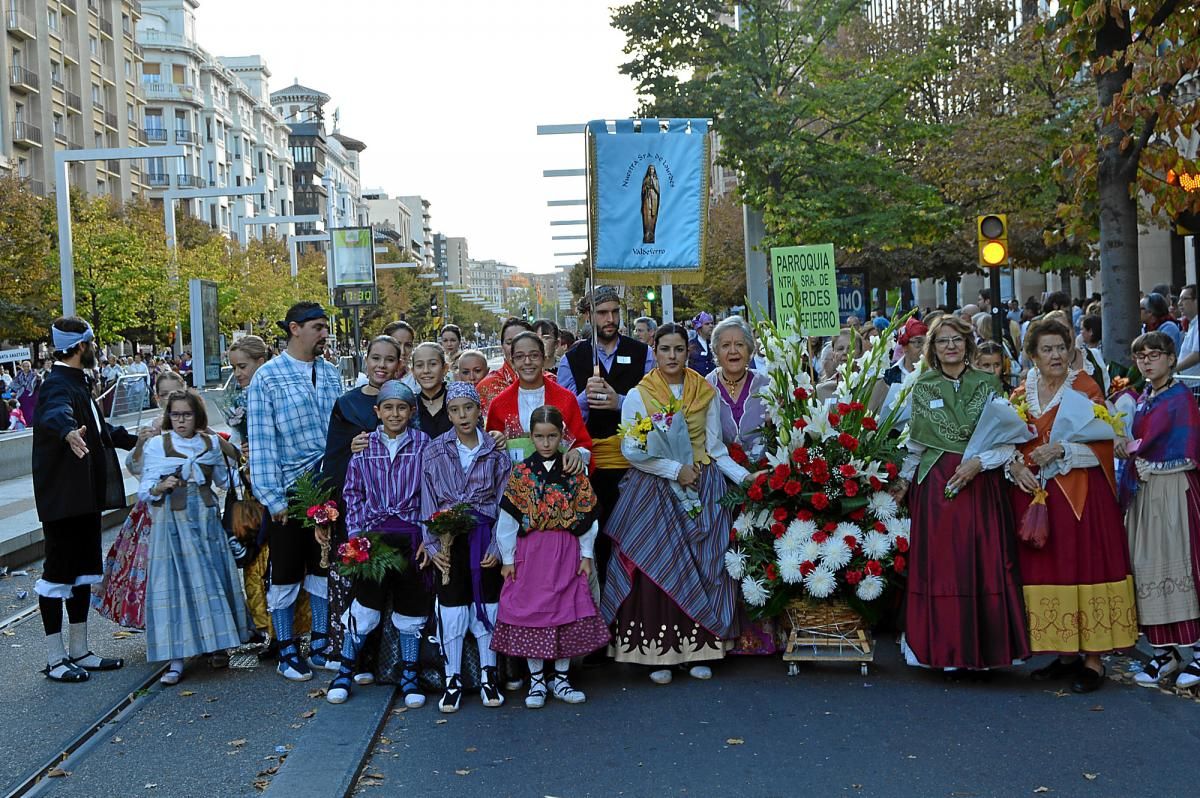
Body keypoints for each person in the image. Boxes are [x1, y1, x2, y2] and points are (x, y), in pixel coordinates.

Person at [601, 323, 752, 684]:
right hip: (655, 490)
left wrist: (748, 481)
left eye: (679, 349)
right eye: (665, 349)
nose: (672, 356)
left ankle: (698, 648)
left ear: (688, 352)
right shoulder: (640, 394)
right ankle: (658, 654)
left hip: (703, 485)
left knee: (704, 568)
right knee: (657, 566)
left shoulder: (704, 391)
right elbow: (631, 450)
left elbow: (715, 449)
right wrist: (672, 469)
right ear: (654, 351)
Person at [891, 315, 1030, 673]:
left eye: (956, 340)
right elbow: (917, 443)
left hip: (980, 485)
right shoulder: (922, 386)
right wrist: (904, 482)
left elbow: (1005, 437)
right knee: (942, 568)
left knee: (980, 564)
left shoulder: (987, 383)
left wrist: (978, 464)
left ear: (967, 345)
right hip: (936, 485)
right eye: (942, 341)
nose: (950, 346)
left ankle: (982, 653)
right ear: (932, 349)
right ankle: (944, 649)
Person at [1007, 319, 1137, 693]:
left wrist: (1063, 449)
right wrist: (1015, 464)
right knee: (1050, 567)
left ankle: (1094, 660)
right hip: (1037, 497)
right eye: (1047, 349)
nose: (1056, 356)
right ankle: (1064, 653)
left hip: (1082, 495)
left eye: (1061, 348)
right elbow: (1008, 439)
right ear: (1032, 355)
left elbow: (1108, 439)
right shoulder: (1022, 392)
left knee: (1085, 565)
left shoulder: (1086, 388)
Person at [32, 317, 138, 682]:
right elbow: (52, 412)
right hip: (63, 500)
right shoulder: (57, 384)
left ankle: (79, 650)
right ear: (80, 347)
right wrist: (66, 432)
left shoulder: (79, 382)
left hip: (84, 497)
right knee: (57, 575)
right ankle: (55, 657)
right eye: (91, 343)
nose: (94, 349)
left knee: (80, 575)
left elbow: (100, 430)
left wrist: (138, 440)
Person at [248, 302, 343, 682]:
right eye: (318, 327)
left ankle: (319, 643)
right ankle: (287, 648)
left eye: (325, 327)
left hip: (327, 489)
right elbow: (262, 441)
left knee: (322, 568)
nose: (324, 334)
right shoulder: (267, 378)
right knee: (285, 573)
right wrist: (272, 498)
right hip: (288, 491)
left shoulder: (333, 374)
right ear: (295, 329)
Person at [492, 405, 609, 708]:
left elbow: (586, 516)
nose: (545, 443)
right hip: (531, 553)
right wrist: (507, 558)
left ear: (562, 436)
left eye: (552, 436)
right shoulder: (522, 473)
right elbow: (507, 520)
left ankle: (561, 679)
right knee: (533, 612)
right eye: (540, 437)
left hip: (566, 549)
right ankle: (536, 682)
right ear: (531, 436)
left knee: (566, 609)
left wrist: (585, 553)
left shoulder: (573, 472)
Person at [328, 381, 433, 707]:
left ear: (411, 412)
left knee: (410, 606)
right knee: (365, 604)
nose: (395, 414)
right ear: (377, 412)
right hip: (372, 537)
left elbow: (431, 492)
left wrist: (428, 537)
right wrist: (357, 535)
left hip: (410, 536)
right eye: (388, 407)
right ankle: (346, 668)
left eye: (402, 407)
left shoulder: (422, 444)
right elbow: (353, 492)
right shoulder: (365, 447)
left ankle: (410, 672)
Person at [141, 389, 248, 685]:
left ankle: (218, 643)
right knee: (175, 584)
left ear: (197, 416)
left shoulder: (211, 443)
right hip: (171, 521)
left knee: (212, 578)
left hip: (204, 518)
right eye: (175, 414)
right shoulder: (156, 445)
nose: (180, 420)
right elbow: (144, 488)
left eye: (186, 414)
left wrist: (243, 465)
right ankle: (175, 657)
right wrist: (160, 486)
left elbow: (225, 481)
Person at [420, 382, 513, 712]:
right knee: (453, 610)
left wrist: (500, 547)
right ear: (448, 414)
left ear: (479, 410)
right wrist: (433, 547)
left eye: (469, 408)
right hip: (449, 539)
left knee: (487, 606)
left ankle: (489, 675)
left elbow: (506, 504)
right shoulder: (433, 451)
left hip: (483, 536)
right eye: (455, 410)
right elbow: (428, 503)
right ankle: (452, 678)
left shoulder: (495, 453)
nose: (463, 416)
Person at [557, 286, 654, 590]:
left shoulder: (642, 353)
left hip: (634, 463)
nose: (610, 319)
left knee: (633, 538)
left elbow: (656, 407)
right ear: (589, 316)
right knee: (595, 539)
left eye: (614, 312)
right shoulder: (571, 359)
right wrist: (585, 398)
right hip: (591, 466)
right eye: (602, 313)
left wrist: (622, 402)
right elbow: (563, 418)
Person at [1118, 331, 1200, 689]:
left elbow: (1190, 448)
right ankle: (1164, 652)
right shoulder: (1144, 398)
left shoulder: (1181, 397)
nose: (1147, 361)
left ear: (1170, 358)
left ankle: (1196, 652)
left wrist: (1157, 467)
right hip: (1144, 489)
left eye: (1155, 354)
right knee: (1148, 570)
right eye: (1141, 356)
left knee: (1180, 567)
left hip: (1173, 488)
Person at [321, 335, 404, 665]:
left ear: (399, 364)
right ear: (365, 360)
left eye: (389, 359)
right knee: (358, 577)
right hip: (358, 506)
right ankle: (355, 653)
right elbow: (333, 454)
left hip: (398, 507)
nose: (382, 365)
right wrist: (328, 511)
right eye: (376, 358)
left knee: (395, 579)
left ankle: (393, 655)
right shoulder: (347, 403)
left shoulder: (403, 401)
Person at [93, 371, 187, 630]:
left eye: (174, 393)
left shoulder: (193, 422)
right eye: (164, 395)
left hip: (188, 507)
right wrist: (140, 443)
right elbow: (136, 467)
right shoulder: (152, 427)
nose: (169, 400)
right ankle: (163, 629)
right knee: (153, 570)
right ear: (157, 398)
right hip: (153, 510)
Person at [486, 332, 592, 467]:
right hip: (513, 484)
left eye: (534, 355)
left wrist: (577, 453)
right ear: (512, 362)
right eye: (519, 357)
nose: (527, 362)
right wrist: (496, 440)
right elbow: (489, 452)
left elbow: (582, 443)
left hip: (559, 482)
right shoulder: (498, 404)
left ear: (544, 359)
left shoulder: (566, 399)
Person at [706, 316, 770, 463]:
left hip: (764, 476)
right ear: (716, 351)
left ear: (749, 349)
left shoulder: (766, 384)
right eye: (726, 345)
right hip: (721, 477)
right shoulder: (705, 387)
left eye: (740, 344)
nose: (733, 351)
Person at [870, 318, 927, 424]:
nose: (924, 348)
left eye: (927, 344)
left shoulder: (935, 374)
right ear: (905, 347)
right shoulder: (887, 374)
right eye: (918, 343)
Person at [477, 318, 535, 414]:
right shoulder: (487, 386)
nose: (515, 347)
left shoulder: (550, 381)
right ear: (502, 346)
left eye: (522, 341)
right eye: (509, 343)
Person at [413, 341, 453, 437]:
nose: (426, 370)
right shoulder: (409, 405)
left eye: (433, 364)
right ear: (413, 371)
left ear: (445, 368)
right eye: (419, 365)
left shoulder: (456, 400)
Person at [382, 320, 419, 393]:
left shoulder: (418, 380)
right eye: (397, 344)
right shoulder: (373, 378)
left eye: (408, 345)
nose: (403, 351)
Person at [1175, 285, 1200, 377]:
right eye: (1179, 299)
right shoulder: (1192, 323)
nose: (1179, 303)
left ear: (1196, 301)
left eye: (1184, 299)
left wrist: (1172, 369)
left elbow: (1197, 355)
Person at [14, 359, 41, 427]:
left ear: (30, 366)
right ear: (22, 367)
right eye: (25, 366)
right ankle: (26, 424)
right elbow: (14, 384)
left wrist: (38, 378)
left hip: (31, 394)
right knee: (24, 411)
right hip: (21, 395)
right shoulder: (19, 374)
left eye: (28, 366)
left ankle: (33, 424)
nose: (26, 368)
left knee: (31, 411)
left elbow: (39, 383)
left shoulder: (34, 374)